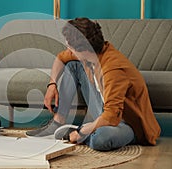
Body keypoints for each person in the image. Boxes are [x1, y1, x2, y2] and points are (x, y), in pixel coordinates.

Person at [26, 18, 161, 151]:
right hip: (105, 110)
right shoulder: (91, 53)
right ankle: (58, 121)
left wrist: (82, 132)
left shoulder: (113, 69)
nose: (68, 50)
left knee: (101, 139)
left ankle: (83, 130)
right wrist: (52, 84)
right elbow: (61, 58)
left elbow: (111, 116)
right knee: (72, 65)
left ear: (83, 49)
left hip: (125, 123)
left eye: (69, 47)